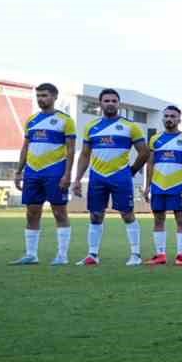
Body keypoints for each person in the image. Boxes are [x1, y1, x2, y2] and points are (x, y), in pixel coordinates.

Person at [71, 88, 150, 266]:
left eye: (114, 101)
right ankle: (92, 255)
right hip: (97, 176)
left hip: (120, 175)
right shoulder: (91, 127)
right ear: (100, 104)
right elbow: (84, 154)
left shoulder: (130, 127)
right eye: (107, 101)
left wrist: (131, 170)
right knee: (95, 215)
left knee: (127, 214)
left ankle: (135, 255)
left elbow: (144, 152)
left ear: (119, 104)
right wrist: (77, 179)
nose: (110, 104)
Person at [10, 82, 75, 265]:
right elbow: (25, 147)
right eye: (38, 96)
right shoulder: (31, 120)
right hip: (32, 172)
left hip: (55, 171)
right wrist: (19, 171)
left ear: (55, 97)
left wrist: (68, 174)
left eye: (45, 95)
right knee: (31, 213)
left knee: (59, 212)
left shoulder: (65, 120)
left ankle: (62, 255)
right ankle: (31, 254)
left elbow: (71, 149)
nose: (41, 99)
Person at [145, 105, 182, 265]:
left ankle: (181, 255)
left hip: (178, 186)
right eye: (166, 116)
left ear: (179, 119)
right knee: (158, 219)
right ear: (162, 118)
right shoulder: (155, 139)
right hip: (158, 186)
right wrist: (147, 186)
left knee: (180, 219)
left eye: (173, 116)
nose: (169, 119)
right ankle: (160, 255)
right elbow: (150, 164)